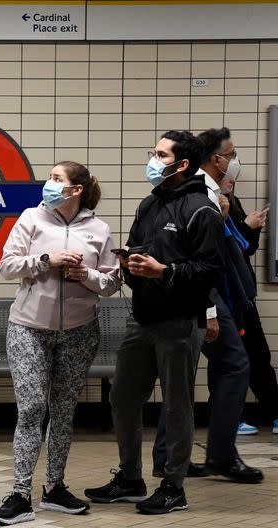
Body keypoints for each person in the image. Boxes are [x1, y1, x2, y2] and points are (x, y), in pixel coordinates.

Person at [84, 131, 224, 514]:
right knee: (123, 398)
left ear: (181, 164)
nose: (151, 159)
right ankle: (130, 478)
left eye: (159, 154)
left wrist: (165, 271)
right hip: (141, 321)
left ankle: (173, 487)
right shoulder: (149, 204)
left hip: (180, 324)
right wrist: (130, 262)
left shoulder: (201, 209)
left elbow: (212, 271)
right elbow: (139, 250)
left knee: (176, 405)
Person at [0, 162, 121, 526]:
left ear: (76, 189)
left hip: (80, 331)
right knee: (31, 408)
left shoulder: (98, 229)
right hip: (29, 328)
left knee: (63, 411)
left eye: (56, 178)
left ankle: (55, 487)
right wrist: (46, 260)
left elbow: (111, 283)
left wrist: (86, 274)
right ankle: (19, 493)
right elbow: (7, 266)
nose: (48, 183)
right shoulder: (31, 218)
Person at [151, 127, 263, 484]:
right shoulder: (205, 194)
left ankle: (169, 455)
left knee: (183, 376)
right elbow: (205, 259)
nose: (234, 161)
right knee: (235, 365)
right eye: (231, 155)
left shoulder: (203, 191)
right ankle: (220, 455)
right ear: (215, 159)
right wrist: (210, 312)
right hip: (205, 296)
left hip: (197, 294)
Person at [227, 179, 278, 435]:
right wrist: (247, 227)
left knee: (258, 356)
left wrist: (251, 227)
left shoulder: (232, 201)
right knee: (230, 361)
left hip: (242, 294)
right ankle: (230, 419)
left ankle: (274, 412)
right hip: (227, 297)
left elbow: (246, 248)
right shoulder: (212, 203)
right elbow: (225, 250)